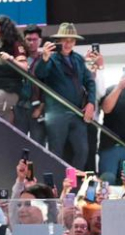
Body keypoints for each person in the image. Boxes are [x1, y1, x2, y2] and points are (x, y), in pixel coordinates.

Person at [34, 23, 97, 168]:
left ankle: (74, 183)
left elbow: (90, 82)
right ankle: (57, 185)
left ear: (75, 42)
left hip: (77, 111)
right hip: (56, 112)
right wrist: (44, 59)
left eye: (71, 40)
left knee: (82, 150)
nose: (68, 43)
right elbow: (40, 74)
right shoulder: (50, 58)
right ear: (59, 41)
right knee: (56, 152)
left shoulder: (79, 60)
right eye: (65, 40)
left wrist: (91, 103)